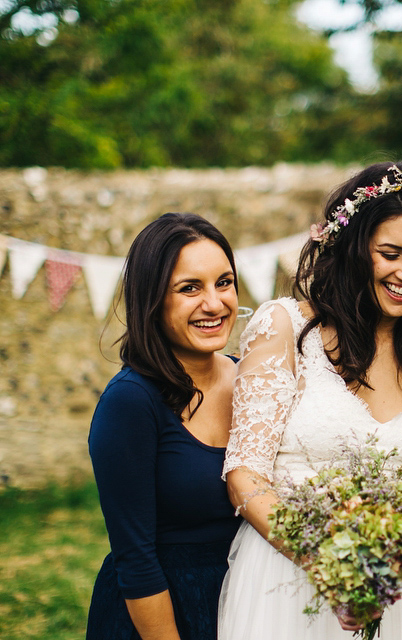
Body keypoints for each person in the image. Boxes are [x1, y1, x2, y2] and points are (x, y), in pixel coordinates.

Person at [217, 161, 402, 640]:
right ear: (354, 249)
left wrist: (393, 558)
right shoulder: (285, 328)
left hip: (399, 599)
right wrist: (333, 567)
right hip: (287, 587)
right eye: (390, 252)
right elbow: (245, 474)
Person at [87, 213, 243, 639]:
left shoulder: (253, 379)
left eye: (224, 282)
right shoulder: (130, 402)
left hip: (250, 601)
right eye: (189, 288)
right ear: (152, 299)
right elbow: (134, 559)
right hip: (165, 612)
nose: (214, 303)